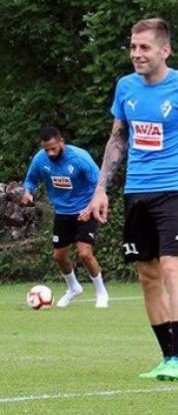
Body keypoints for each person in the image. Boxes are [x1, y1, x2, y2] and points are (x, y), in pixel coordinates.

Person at [87, 18, 178, 381]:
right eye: (133, 47)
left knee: (173, 267)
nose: (136, 54)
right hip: (136, 191)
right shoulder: (125, 88)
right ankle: (166, 358)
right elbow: (118, 140)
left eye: (144, 47)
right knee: (147, 275)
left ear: (165, 50)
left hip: (176, 188)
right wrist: (100, 189)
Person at [22, 125, 109, 308]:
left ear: (61, 141)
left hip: (85, 209)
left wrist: (90, 207)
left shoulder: (79, 158)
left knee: (85, 253)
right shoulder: (40, 159)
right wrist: (28, 192)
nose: (51, 153)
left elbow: (99, 183)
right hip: (62, 212)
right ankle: (73, 288)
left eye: (54, 148)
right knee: (59, 256)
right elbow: (31, 180)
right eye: (47, 149)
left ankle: (102, 292)